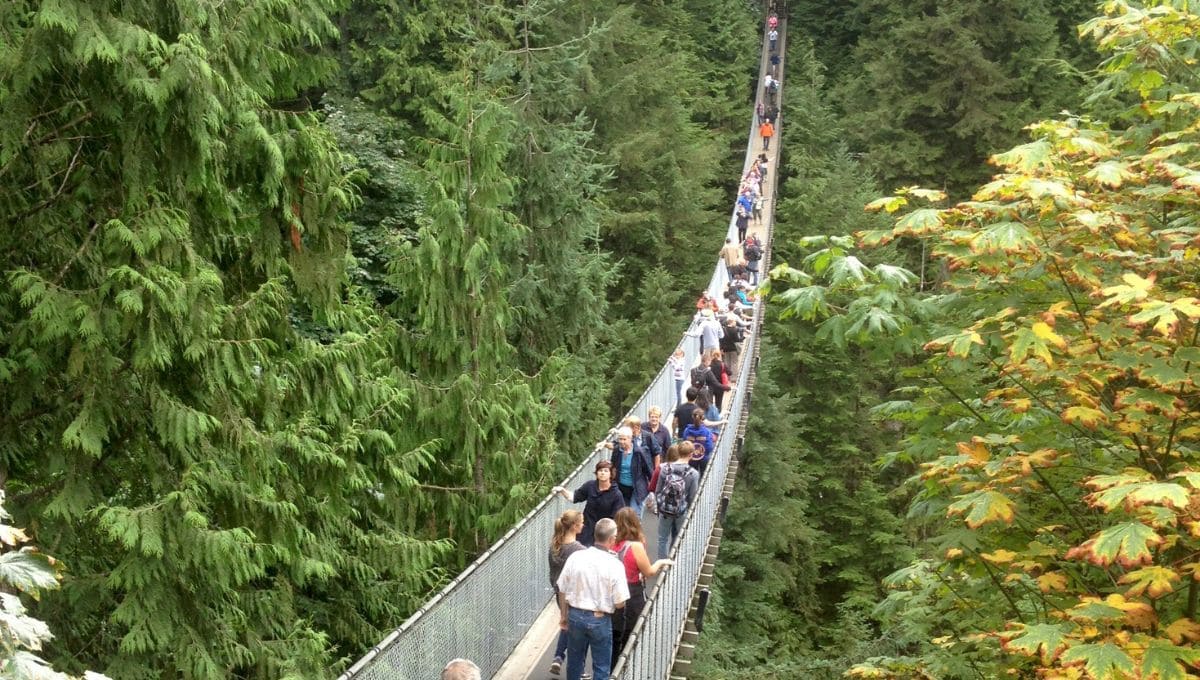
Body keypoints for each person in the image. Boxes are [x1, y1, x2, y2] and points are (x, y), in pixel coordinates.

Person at [557, 518, 630, 680]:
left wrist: (564, 616)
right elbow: (620, 603)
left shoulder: (576, 557)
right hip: (599, 619)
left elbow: (562, 588)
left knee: (574, 662)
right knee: (601, 666)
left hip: (575, 616)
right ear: (612, 539)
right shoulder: (615, 564)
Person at [610, 508, 674, 667]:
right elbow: (649, 572)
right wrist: (661, 562)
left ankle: (611, 667)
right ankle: (623, 667)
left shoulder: (611, 543)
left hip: (611, 592)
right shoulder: (636, 546)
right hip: (632, 592)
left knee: (614, 632)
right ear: (634, 523)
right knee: (631, 630)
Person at [554, 460, 625, 546]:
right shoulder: (590, 486)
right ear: (596, 473)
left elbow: (617, 519)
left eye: (606, 471)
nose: (602, 473)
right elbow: (574, 497)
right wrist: (562, 490)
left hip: (603, 532)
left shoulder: (616, 494)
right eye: (600, 470)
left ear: (611, 474)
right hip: (586, 529)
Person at [648, 444, 701, 558]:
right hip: (681, 510)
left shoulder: (665, 469)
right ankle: (674, 561)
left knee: (663, 538)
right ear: (691, 455)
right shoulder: (693, 473)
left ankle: (662, 563)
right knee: (679, 537)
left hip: (665, 509)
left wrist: (660, 506)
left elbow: (658, 491)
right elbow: (692, 496)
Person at [608, 424, 654, 517]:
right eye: (620, 439)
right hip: (621, 487)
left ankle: (636, 531)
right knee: (622, 514)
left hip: (636, 488)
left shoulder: (640, 452)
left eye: (624, 439)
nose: (621, 442)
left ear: (630, 439)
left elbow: (648, 470)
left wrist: (652, 490)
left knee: (634, 515)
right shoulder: (617, 451)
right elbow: (613, 466)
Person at [682, 409, 715, 477]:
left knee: (692, 476)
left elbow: (684, 443)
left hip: (691, 458)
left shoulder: (687, 431)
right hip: (704, 458)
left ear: (692, 417)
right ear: (702, 418)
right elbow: (709, 447)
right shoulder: (706, 432)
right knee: (704, 476)